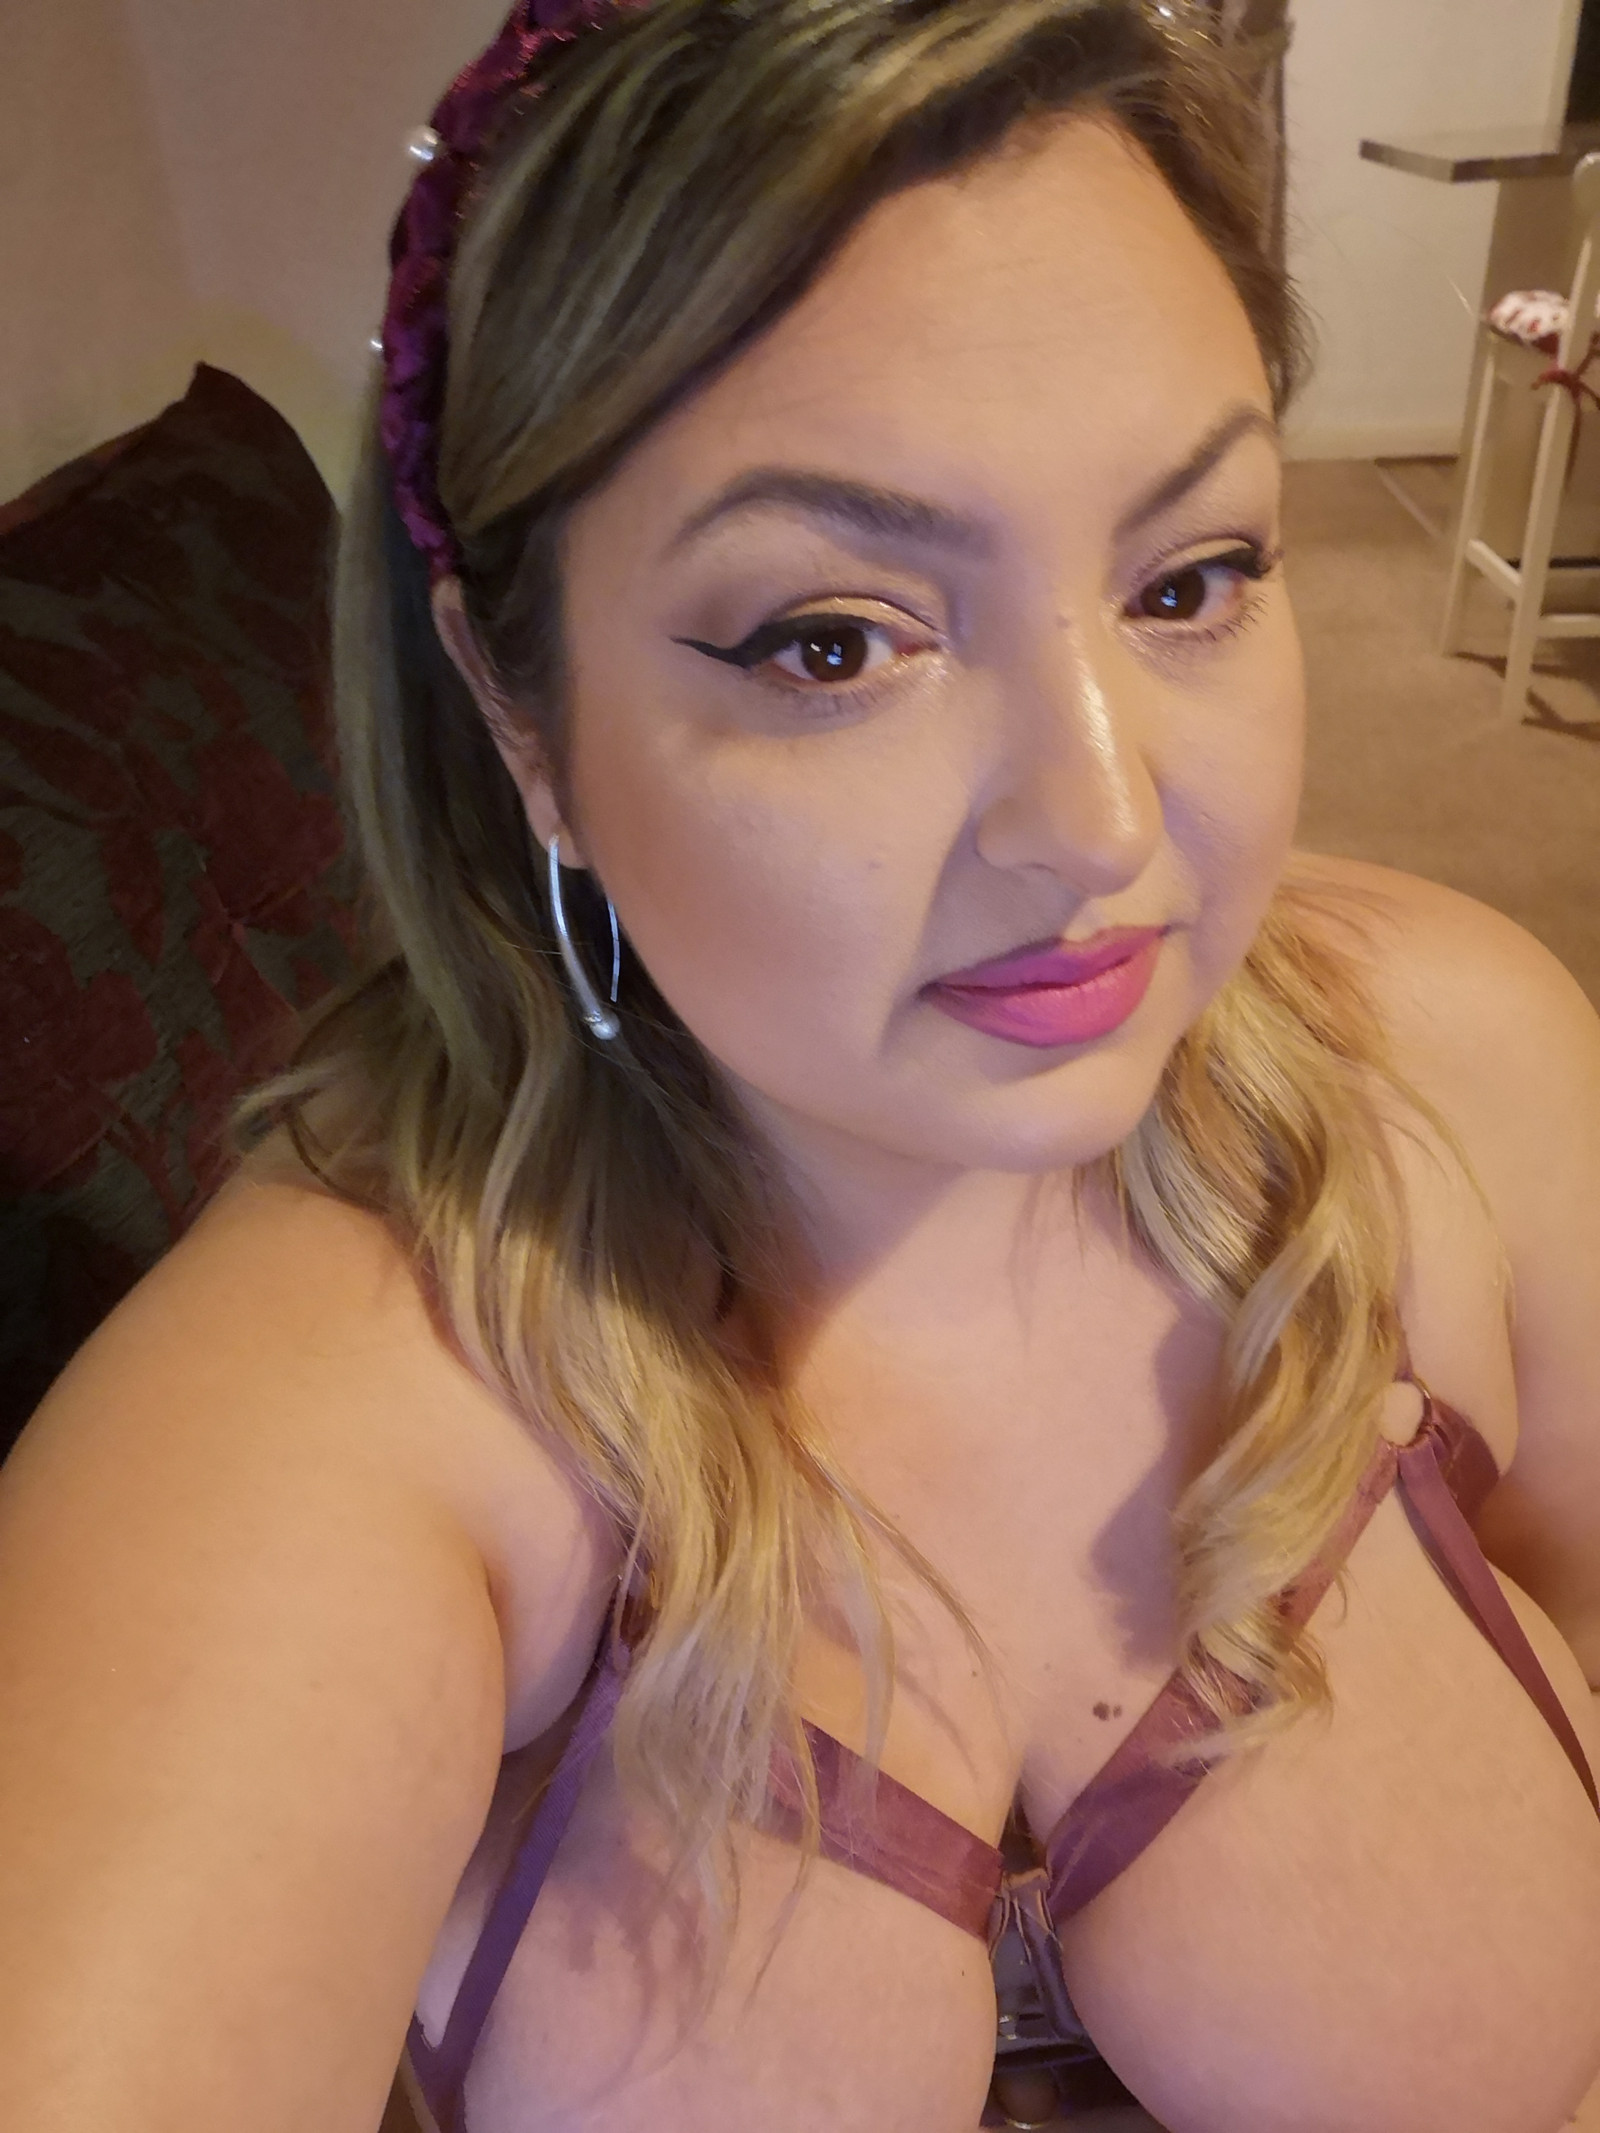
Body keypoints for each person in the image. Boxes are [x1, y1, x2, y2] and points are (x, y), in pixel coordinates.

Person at [3, 2, 1599, 2128]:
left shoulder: (1465, 1077)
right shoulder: (346, 1402)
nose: (1102, 823)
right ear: (518, 712)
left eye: (1188, 576)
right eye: (834, 640)